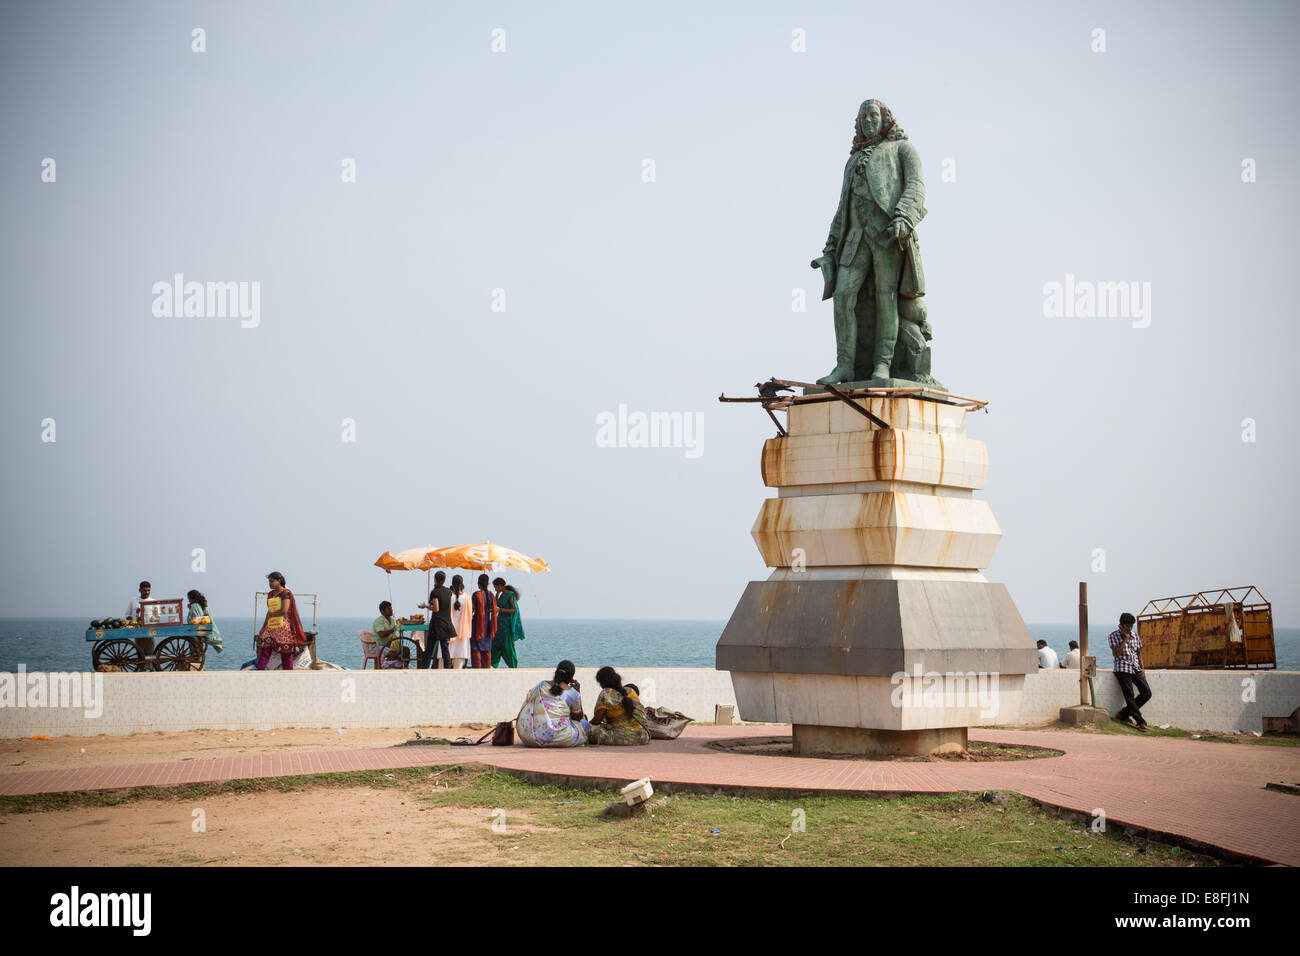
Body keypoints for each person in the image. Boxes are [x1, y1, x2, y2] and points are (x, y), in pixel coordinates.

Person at [814, 98, 928, 385]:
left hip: (887, 236)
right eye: (863, 116)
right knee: (842, 296)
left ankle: (882, 365)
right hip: (854, 238)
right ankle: (845, 366)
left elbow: (916, 186)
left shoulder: (903, 148)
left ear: (884, 117)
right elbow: (843, 207)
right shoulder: (852, 160)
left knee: (885, 298)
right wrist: (830, 245)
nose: (868, 120)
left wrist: (903, 216)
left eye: (873, 115)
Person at [516, 660, 587, 747]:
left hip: (531, 737)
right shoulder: (573, 693)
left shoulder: (541, 685)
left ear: (556, 672)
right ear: (571, 677)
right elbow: (578, 717)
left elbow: (528, 700)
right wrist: (578, 693)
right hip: (559, 738)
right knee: (585, 725)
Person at [256, 571, 310, 670]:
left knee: (286, 653)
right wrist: (263, 628)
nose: (270, 584)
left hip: (283, 627)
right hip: (271, 626)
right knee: (265, 649)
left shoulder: (285, 593)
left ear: (279, 581)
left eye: (272, 581)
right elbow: (269, 612)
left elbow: (284, 610)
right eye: (269, 581)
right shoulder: (270, 594)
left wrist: (272, 614)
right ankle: (260, 671)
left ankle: (288, 675)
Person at [587, 666, 650, 746]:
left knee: (588, 730)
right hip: (643, 736)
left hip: (625, 738)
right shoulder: (631, 691)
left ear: (602, 683)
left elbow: (597, 721)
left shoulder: (606, 693)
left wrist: (586, 724)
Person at [1109, 612, 1151, 730]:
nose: (1129, 628)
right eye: (1127, 626)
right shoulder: (1113, 636)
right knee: (1129, 696)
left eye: (1131, 626)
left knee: (1147, 693)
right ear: (1121, 625)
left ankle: (1123, 713)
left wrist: (1142, 668)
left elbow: (1139, 653)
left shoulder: (1135, 636)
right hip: (1122, 668)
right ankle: (1140, 722)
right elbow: (1116, 654)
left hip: (1135, 667)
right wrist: (1124, 640)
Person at [419, 570, 456, 669]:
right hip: (446, 623)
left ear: (435, 579)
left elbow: (436, 608)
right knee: (445, 649)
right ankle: (447, 669)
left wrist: (425, 606)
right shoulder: (449, 592)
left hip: (437, 624)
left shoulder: (435, 592)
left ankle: (424, 669)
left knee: (429, 649)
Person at [492, 577, 525, 668]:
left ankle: (513, 665)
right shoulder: (502, 594)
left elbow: (514, 610)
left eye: (495, 587)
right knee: (496, 644)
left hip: (506, 625)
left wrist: (501, 610)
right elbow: (496, 603)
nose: (494, 589)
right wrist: (497, 593)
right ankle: (493, 664)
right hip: (500, 624)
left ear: (499, 586)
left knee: (508, 646)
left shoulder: (510, 595)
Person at [470, 574, 496, 669]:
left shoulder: (476, 594)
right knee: (486, 649)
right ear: (488, 583)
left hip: (477, 624)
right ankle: (486, 669)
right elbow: (493, 610)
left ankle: (476, 669)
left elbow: (472, 609)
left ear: (478, 583)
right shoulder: (491, 595)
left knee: (476, 648)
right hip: (488, 624)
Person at [186, 589, 222, 654]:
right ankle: (197, 656)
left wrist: (190, 608)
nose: (188, 600)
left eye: (189, 598)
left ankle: (195, 656)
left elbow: (197, 619)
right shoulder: (204, 605)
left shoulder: (195, 606)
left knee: (191, 637)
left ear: (193, 598)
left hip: (198, 629)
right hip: (205, 628)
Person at [448, 575, 471, 669]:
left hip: (449, 629)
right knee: (459, 656)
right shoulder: (467, 597)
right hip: (463, 630)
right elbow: (470, 615)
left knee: (444, 656)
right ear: (462, 584)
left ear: (452, 584)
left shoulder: (449, 596)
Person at [371, 600, 402, 666]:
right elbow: (381, 634)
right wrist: (392, 630)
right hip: (377, 646)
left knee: (405, 650)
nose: (391, 610)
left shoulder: (392, 620)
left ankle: (404, 667)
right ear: (382, 611)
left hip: (388, 646)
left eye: (391, 608)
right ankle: (386, 666)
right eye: (389, 609)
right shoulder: (379, 621)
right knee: (394, 654)